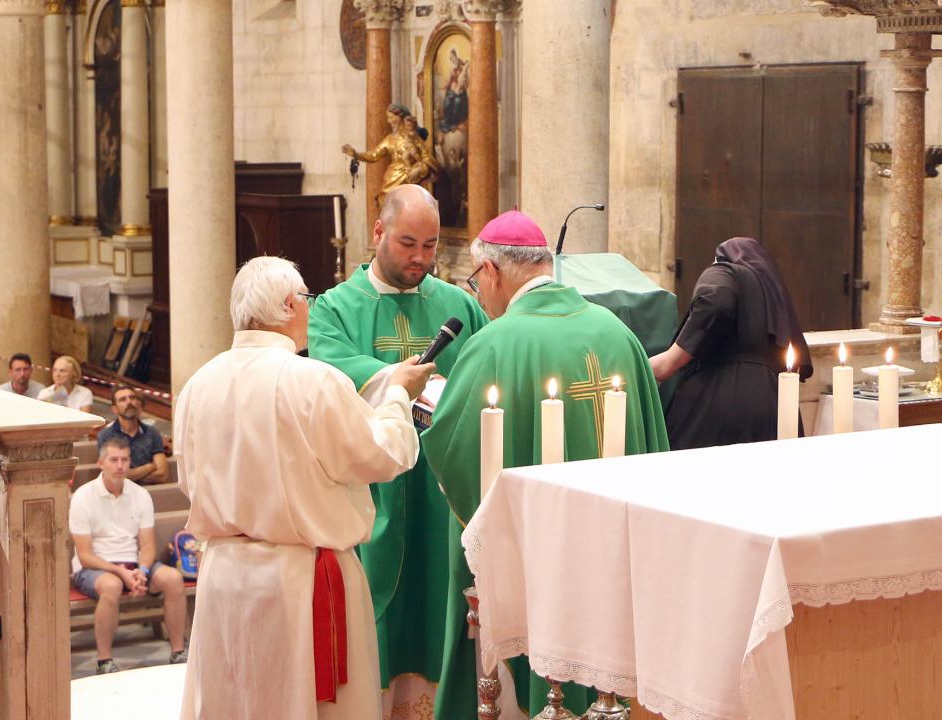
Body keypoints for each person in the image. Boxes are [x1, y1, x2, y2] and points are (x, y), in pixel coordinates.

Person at [422, 210, 670, 719]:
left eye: (475, 281)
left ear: (490, 273)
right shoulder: (617, 334)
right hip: (613, 546)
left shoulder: (494, 343)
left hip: (533, 554)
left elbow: (453, 448)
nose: (478, 295)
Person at [175, 256, 435, 719]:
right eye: (307, 300)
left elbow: (188, 480)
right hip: (299, 581)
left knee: (232, 703)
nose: (310, 309)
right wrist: (397, 393)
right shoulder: (312, 380)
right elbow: (383, 454)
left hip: (223, 579)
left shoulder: (198, 384)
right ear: (289, 306)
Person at [308, 184, 488, 712]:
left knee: (442, 606)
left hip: (443, 494)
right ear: (379, 232)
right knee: (378, 618)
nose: (419, 259)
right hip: (376, 492)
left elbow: (484, 369)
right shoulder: (334, 308)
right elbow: (328, 368)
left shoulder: (457, 304)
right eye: (408, 243)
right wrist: (396, 381)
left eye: (431, 246)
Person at [649, 236, 813, 449]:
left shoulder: (726, 271)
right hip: (776, 402)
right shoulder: (773, 294)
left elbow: (716, 303)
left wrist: (671, 360)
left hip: (717, 401)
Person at [70, 437, 188, 674]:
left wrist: (142, 571)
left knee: (173, 579)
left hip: (134, 564)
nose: (120, 466)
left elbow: (147, 546)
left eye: (125, 460)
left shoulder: (140, 494)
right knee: (112, 585)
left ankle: (178, 652)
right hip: (95, 568)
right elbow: (84, 555)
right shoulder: (83, 497)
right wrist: (121, 572)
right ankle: (105, 660)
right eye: (114, 460)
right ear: (101, 463)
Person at [96, 385, 168, 485]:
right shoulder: (106, 435)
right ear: (115, 409)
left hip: (150, 493)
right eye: (123, 399)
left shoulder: (152, 432)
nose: (129, 402)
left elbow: (162, 475)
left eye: (132, 398)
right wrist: (150, 467)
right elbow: (112, 473)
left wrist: (131, 474)